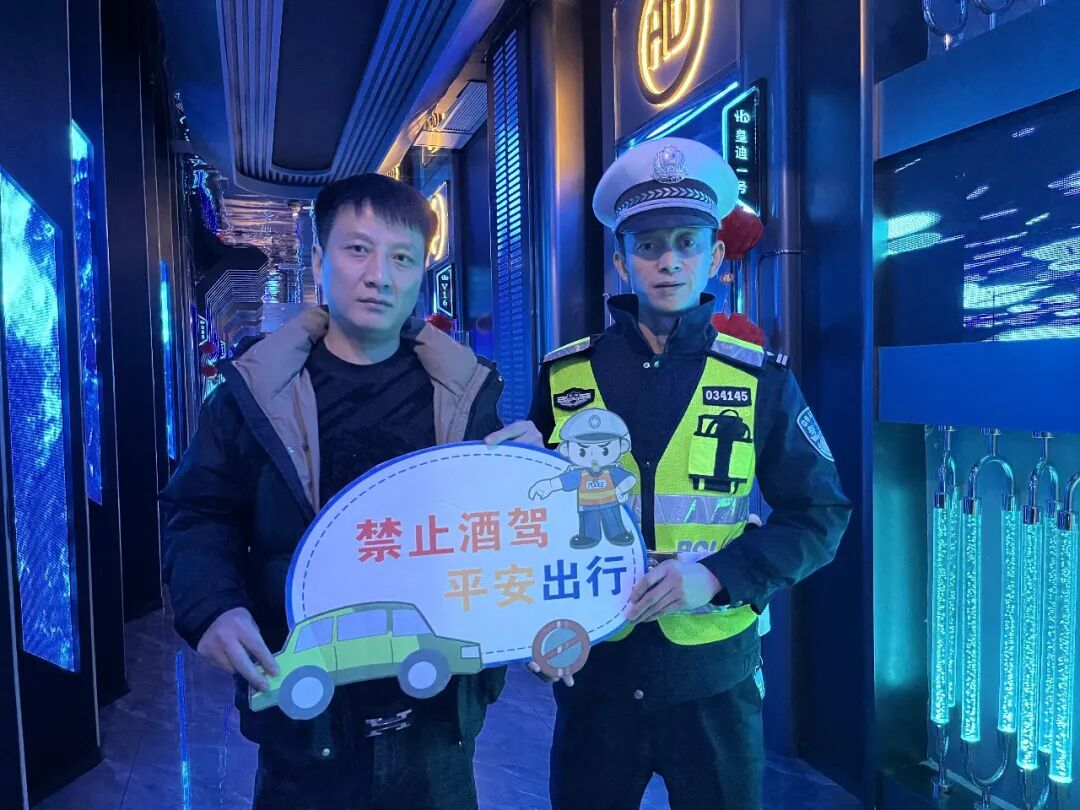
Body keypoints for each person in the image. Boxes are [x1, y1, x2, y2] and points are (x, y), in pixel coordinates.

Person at [161, 173, 540, 809]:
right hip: (305, 730)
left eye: (402, 258)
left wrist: (529, 484)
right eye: (358, 250)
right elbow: (199, 511)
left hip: (437, 725)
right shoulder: (254, 395)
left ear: (421, 272)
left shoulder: (464, 395)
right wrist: (213, 606)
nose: (379, 276)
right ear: (318, 260)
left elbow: (496, 537)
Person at [527, 137, 852, 809]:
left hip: (713, 678)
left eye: (686, 242)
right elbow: (533, 520)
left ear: (716, 257)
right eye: (647, 245)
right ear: (622, 259)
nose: (668, 261)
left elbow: (819, 516)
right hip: (596, 674)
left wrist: (716, 575)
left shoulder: (759, 379)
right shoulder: (564, 376)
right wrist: (529, 618)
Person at [528, 407, 637, 548]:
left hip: (610, 503)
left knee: (613, 520)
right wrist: (548, 485)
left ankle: (617, 534)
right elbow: (563, 481)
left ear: (622, 446)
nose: (593, 455)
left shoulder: (612, 471)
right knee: (588, 523)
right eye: (582, 451)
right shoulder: (579, 473)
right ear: (566, 449)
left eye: (604, 450)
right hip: (587, 506)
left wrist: (620, 489)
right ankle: (589, 537)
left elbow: (630, 479)